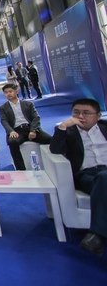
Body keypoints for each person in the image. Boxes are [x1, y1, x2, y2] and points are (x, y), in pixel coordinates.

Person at [49, 98, 107, 256]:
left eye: (86, 113)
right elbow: (55, 150)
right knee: (104, 178)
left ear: (98, 116)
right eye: (76, 112)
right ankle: (97, 234)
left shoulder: (105, 127)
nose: (81, 116)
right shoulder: (68, 131)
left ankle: (97, 235)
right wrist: (63, 127)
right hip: (87, 175)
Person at [0, 84, 51, 170]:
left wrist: (33, 130)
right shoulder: (3, 107)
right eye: (6, 92)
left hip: (30, 127)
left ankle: (50, 165)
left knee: (50, 139)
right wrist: (11, 131)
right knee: (12, 142)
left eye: (10, 91)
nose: (8, 94)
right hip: (16, 130)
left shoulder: (28, 104)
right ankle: (21, 169)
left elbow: (36, 117)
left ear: (16, 92)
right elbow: (4, 121)